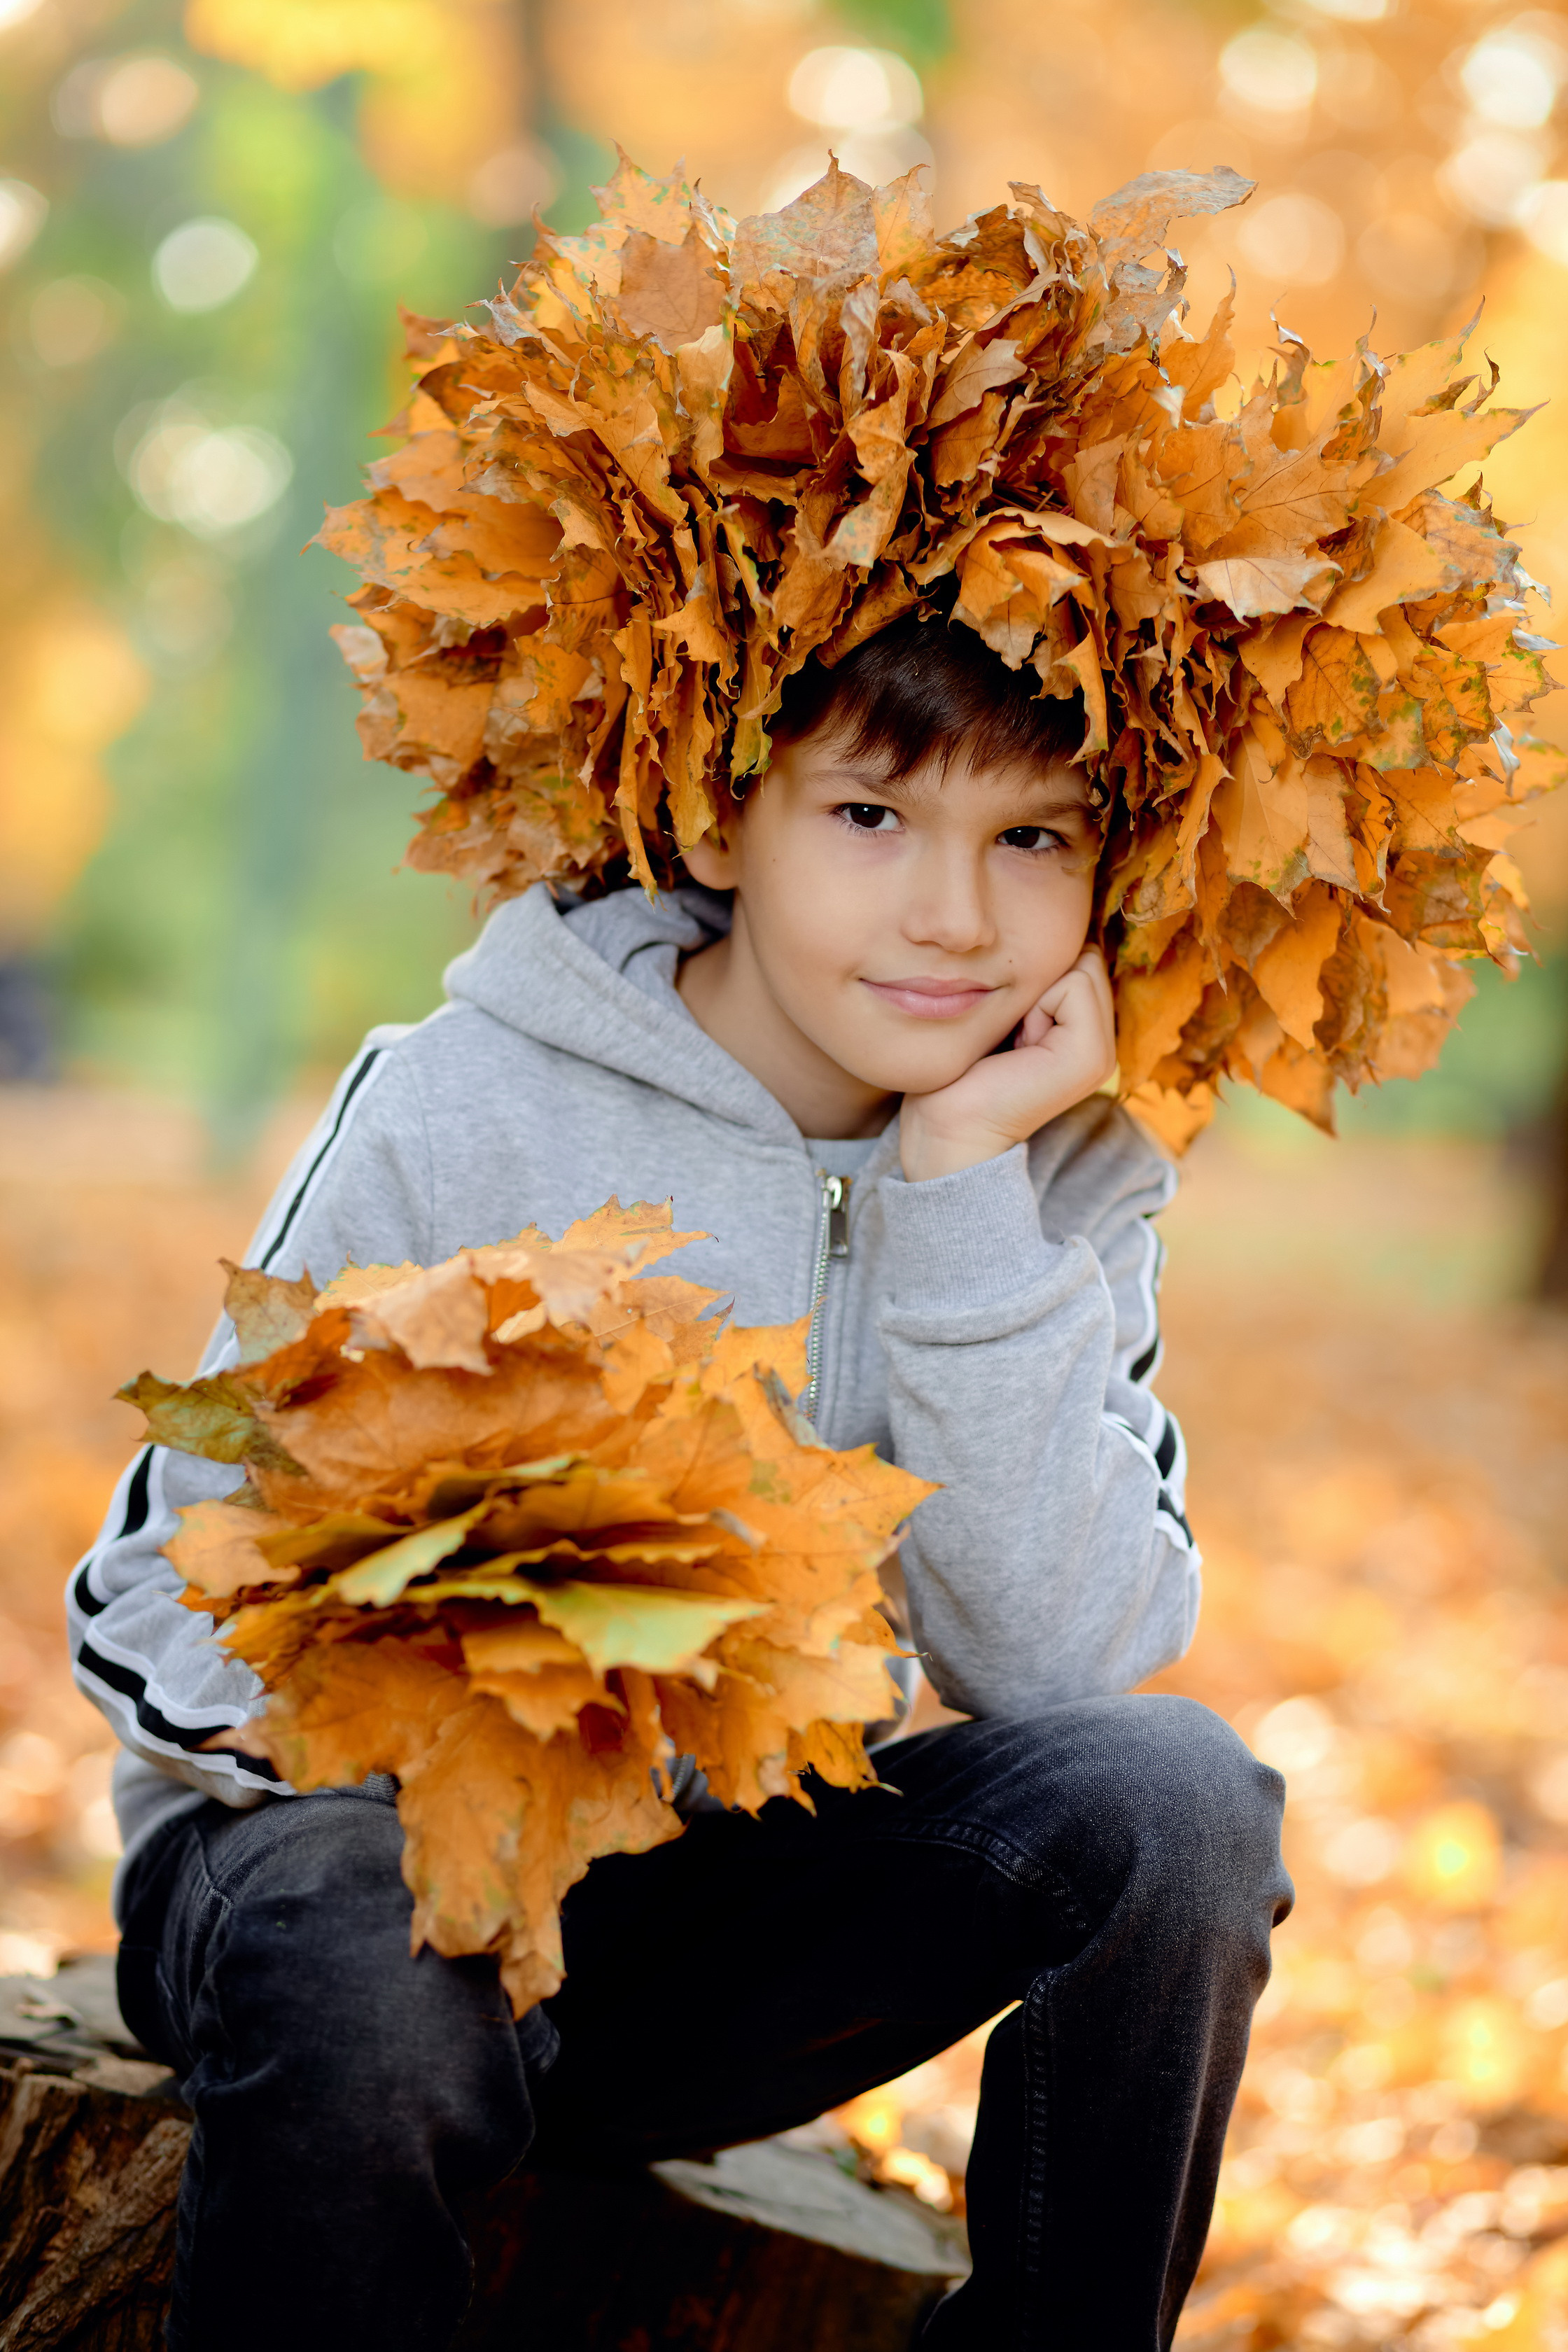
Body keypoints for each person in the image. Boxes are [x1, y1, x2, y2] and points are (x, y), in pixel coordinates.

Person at [69, 598, 1292, 2351]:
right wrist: (473, 1729)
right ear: (722, 817)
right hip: (331, 1905)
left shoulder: (1064, 1171)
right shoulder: (470, 1094)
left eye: (1033, 838)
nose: (954, 914)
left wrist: (960, 1186)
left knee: (1179, 1797)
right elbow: (158, 1594)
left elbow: (1056, 1662)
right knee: (361, 1929)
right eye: (869, 814)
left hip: (687, 1951)